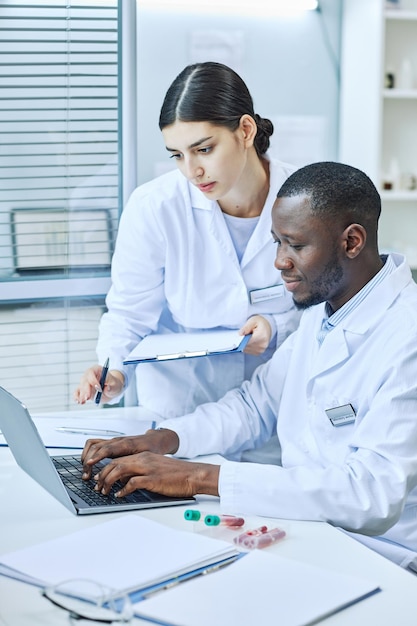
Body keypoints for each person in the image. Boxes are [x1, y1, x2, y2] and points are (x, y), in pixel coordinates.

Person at [81, 161, 417, 570]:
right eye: (276, 242)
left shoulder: (406, 338)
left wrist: (199, 477)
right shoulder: (326, 310)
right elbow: (255, 405)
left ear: (351, 242)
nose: (279, 261)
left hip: (383, 559)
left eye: (295, 245)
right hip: (309, 535)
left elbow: (372, 495)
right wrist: (164, 439)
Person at [74, 61, 300, 462]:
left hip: (277, 424)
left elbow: (335, 308)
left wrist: (278, 326)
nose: (192, 171)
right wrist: (114, 370)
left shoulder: (304, 200)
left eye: (204, 149)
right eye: (177, 155)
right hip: (177, 422)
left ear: (245, 131)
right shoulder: (155, 207)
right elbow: (128, 313)